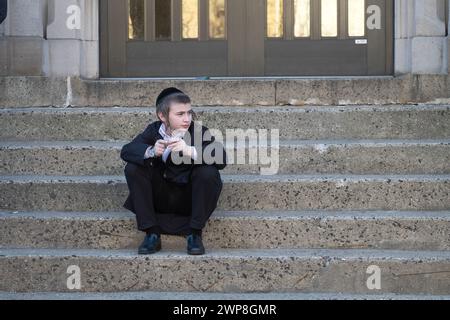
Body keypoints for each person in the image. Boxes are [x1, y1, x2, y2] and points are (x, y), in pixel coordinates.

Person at [121, 87, 227, 255]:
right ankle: (152, 233)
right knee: (133, 168)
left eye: (189, 113)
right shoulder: (153, 131)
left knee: (209, 172)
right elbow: (127, 151)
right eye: (180, 114)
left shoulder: (198, 131)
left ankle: (194, 233)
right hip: (161, 196)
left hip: (188, 199)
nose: (187, 119)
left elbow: (221, 158)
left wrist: (190, 150)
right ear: (162, 116)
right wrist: (150, 151)